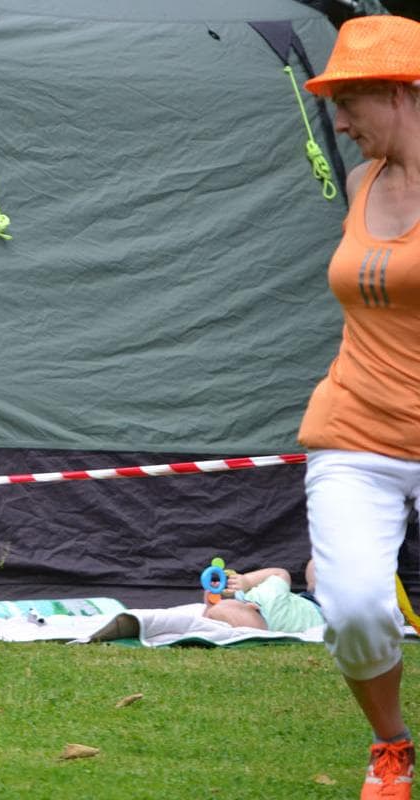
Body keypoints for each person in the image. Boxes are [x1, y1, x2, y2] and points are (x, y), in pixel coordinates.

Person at [299, 16, 420, 798]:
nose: (339, 122)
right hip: (353, 430)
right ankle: (391, 749)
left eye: (350, 100)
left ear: (402, 91)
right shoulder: (360, 184)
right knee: (351, 608)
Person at [201, 563, 324, 633]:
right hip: (318, 601)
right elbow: (281, 573)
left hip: (324, 619)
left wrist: (209, 606)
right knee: (315, 565)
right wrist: (247, 581)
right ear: (252, 605)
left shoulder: (268, 629)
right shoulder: (269, 599)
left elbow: (207, 623)